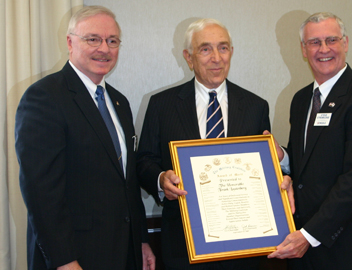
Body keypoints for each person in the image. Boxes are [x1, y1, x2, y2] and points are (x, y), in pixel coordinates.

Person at [15, 6, 155, 270]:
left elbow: (128, 181)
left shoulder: (119, 102)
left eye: (112, 41)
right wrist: (64, 261)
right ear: (70, 42)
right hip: (74, 257)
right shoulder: (44, 98)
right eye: (93, 39)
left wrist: (142, 241)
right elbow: (40, 193)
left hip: (124, 252)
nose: (104, 48)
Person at [136, 18, 272, 269]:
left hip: (243, 246)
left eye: (223, 47)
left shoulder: (256, 106)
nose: (216, 58)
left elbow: (265, 170)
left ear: (231, 52)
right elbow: (144, 161)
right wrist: (160, 179)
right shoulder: (161, 105)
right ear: (189, 58)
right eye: (205, 49)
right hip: (182, 243)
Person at [268, 12, 352, 269]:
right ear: (304, 50)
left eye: (332, 40)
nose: (324, 49)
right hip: (309, 249)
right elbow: (308, 162)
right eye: (314, 42)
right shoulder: (301, 99)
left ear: (345, 43)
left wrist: (308, 235)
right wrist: (282, 156)